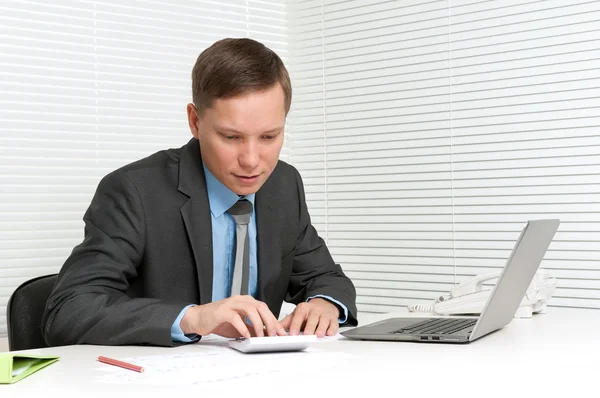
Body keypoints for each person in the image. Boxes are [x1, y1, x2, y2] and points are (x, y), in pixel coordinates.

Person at [41, 37, 358, 347]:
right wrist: (192, 318)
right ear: (195, 121)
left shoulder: (283, 184)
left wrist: (324, 304)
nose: (251, 161)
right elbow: (68, 310)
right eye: (231, 137)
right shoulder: (134, 192)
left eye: (269, 136)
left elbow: (327, 278)